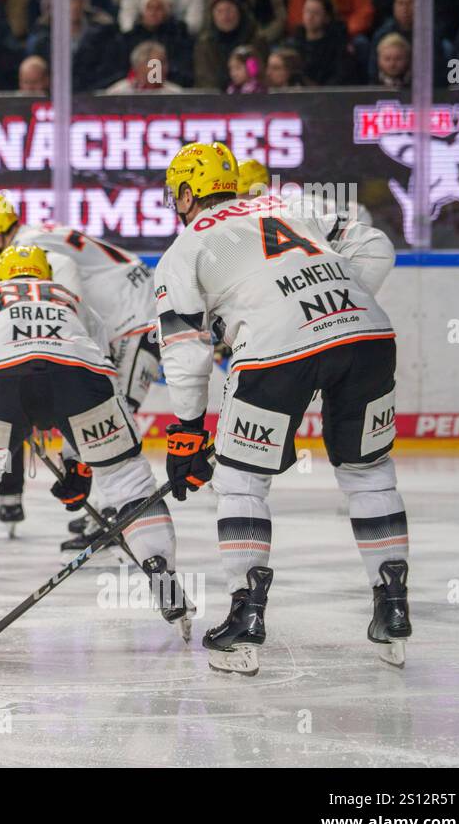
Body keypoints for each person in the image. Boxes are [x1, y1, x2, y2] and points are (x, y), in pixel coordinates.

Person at [156, 141, 409, 675]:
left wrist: (186, 430)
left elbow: (184, 354)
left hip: (276, 352)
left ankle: (247, 615)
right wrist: (328, 310)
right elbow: (377, 245)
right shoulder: (288, 205)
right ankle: (392, 606)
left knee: (242, 480)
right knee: (370, 473)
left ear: (185, 193)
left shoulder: (184, 247)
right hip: (367, 332)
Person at [0, 243, 189, 636]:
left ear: (1, 277)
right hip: (79, 376)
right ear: (46, 275)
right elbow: (100, 369)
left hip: (0, 380)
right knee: (128, 480)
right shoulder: (74, 301)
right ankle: (164, 576)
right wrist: (79, 463)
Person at [0, 191, 160, 547]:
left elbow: (65, 312)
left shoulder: (33, 250)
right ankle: (110, 507)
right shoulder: (33, 240)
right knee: (97, 417)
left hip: (137, 320)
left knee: (112, 416)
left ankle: (117, 512)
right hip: (129, 316)